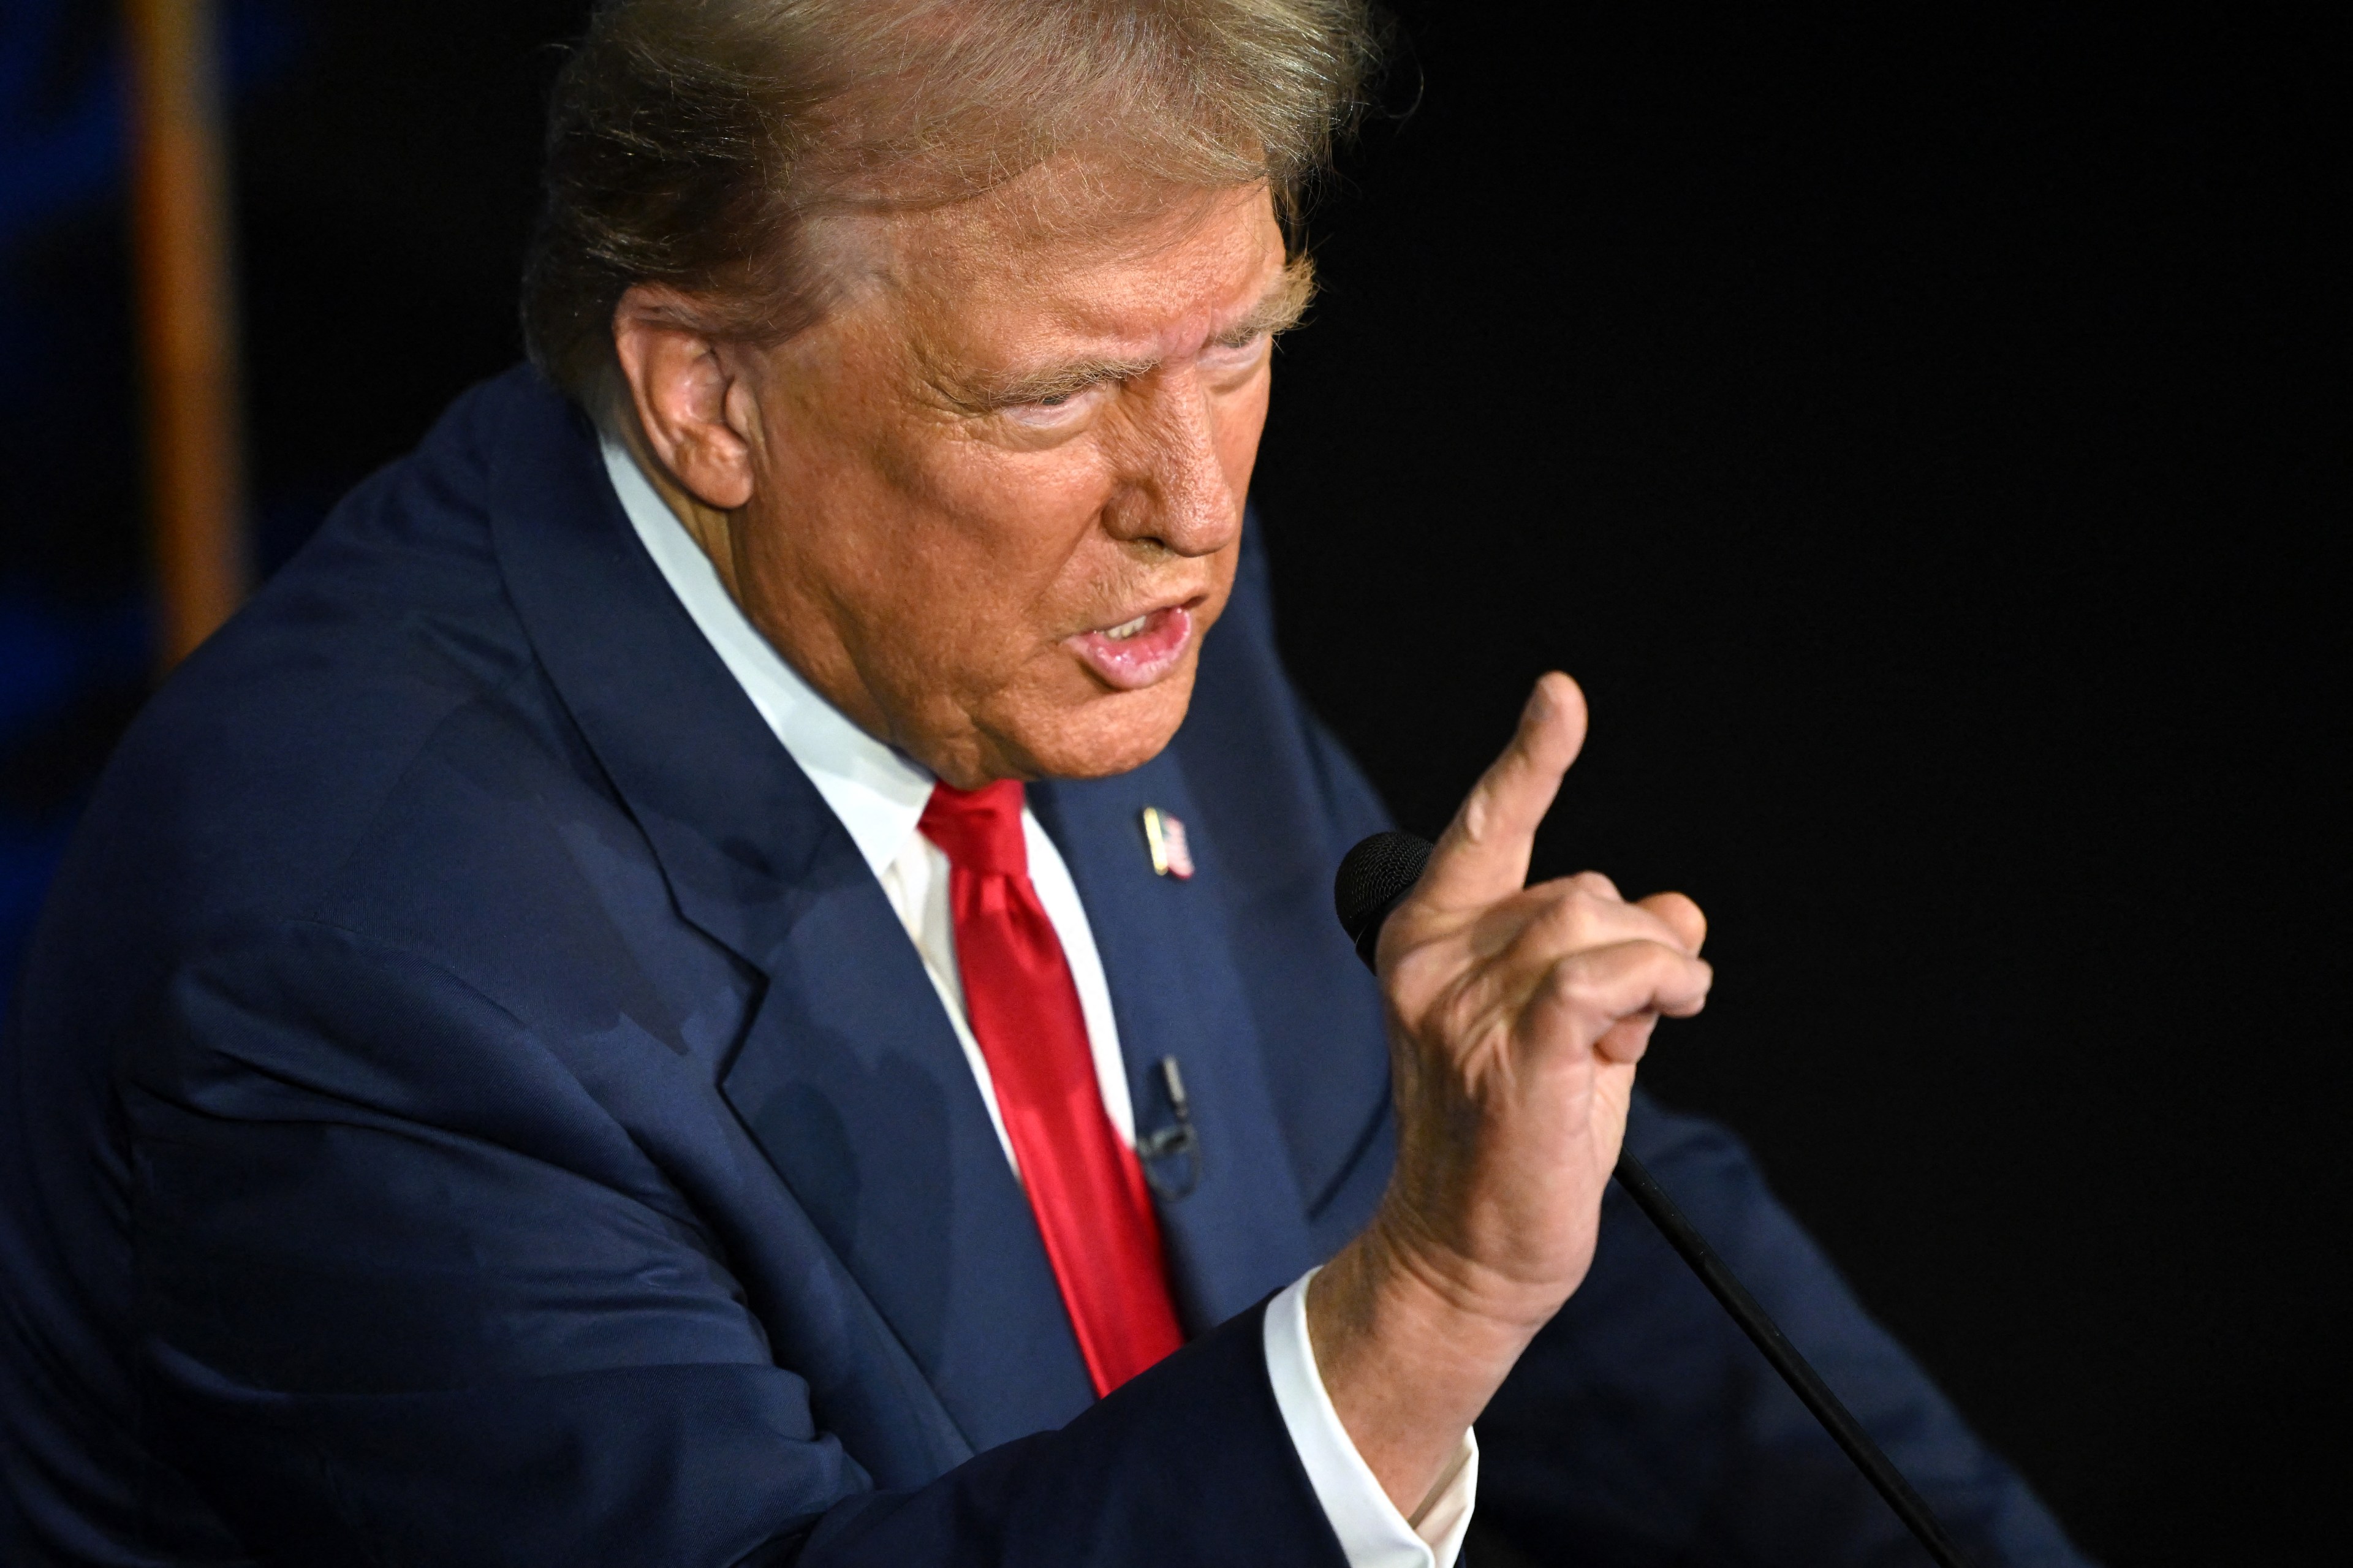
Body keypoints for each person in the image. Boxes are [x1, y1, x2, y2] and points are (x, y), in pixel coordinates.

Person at [0, 2, 2091, 1564]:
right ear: (709, 393)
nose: (1190, 508)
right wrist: (1423, 1317)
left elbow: (1507, 1189)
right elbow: (1434, 1278)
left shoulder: (1060, 611)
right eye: (1058, 391)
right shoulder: (352, 976)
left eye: (1243, 344)